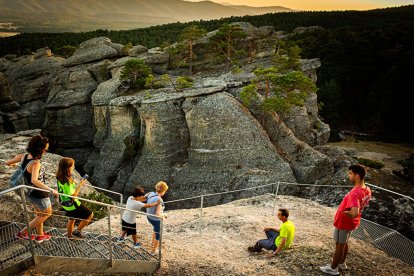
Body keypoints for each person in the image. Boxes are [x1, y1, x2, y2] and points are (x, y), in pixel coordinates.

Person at [320, 164, 372, 275]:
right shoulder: (367, 189)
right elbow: (363, 205)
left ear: (357, 176)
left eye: (350, 173)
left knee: (339, 245)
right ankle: (342, 263)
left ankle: (333, 268)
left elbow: (354, 212)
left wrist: (346, 213)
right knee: (345, 243)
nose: (349, 176)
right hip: (353, 223)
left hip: (343, 223)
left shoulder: (354, 192)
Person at [6, 135, 58, 243]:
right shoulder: (35, 163)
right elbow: (35, 180)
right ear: (39, 149)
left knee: (39, 214)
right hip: (39, 193)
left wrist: (15, 166)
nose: (46, 151)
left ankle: (40, 235)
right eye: (45, 149)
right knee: (47, 213)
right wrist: (50, 190)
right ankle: (23, 233)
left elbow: (8, 162)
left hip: (29, 191)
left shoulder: (23, 156)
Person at [56, 157, 94, 239]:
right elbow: (73, 196)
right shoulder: (66, 181)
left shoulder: (60, 177)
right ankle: (77, 231)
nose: (73, 167)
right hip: (73, 204)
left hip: (65, 203)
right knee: (90, 214)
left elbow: (65, 190)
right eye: (72, 166)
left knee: (72, 219)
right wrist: (80, 184)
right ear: (67, 168)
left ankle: (70, 236)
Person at [146, 181, 168, 254]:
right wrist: (164, 215)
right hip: (155, 219)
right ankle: (154, 250)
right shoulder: (159, 200)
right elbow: (158, 214)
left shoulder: (151, 193)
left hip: (149, 217)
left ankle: (152, 243)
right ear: (163, 191)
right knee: (158, 235)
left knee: (154, 229)